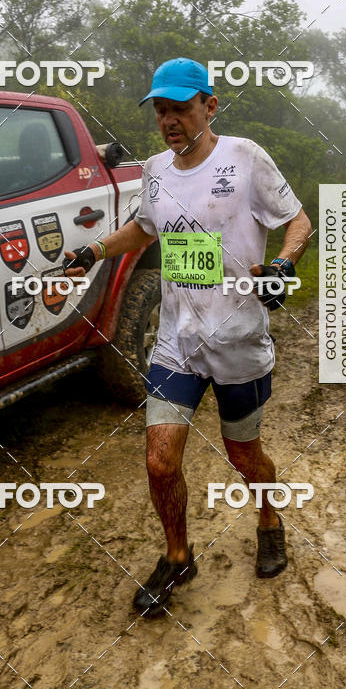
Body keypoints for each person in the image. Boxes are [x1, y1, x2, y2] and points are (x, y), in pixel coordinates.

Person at [64, 57, 312, 618]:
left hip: (239, 341)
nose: (169, 120)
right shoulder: (154, 170)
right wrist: (94, 250)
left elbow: (298, 220)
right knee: (159, 461)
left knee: (244, 455)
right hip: (178, 340)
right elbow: (144, 228)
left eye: (180, 107)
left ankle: (269, 517)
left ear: (209, 105)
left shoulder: (244, 157)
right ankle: (178, 555)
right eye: (160, 110)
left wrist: (284, 264)